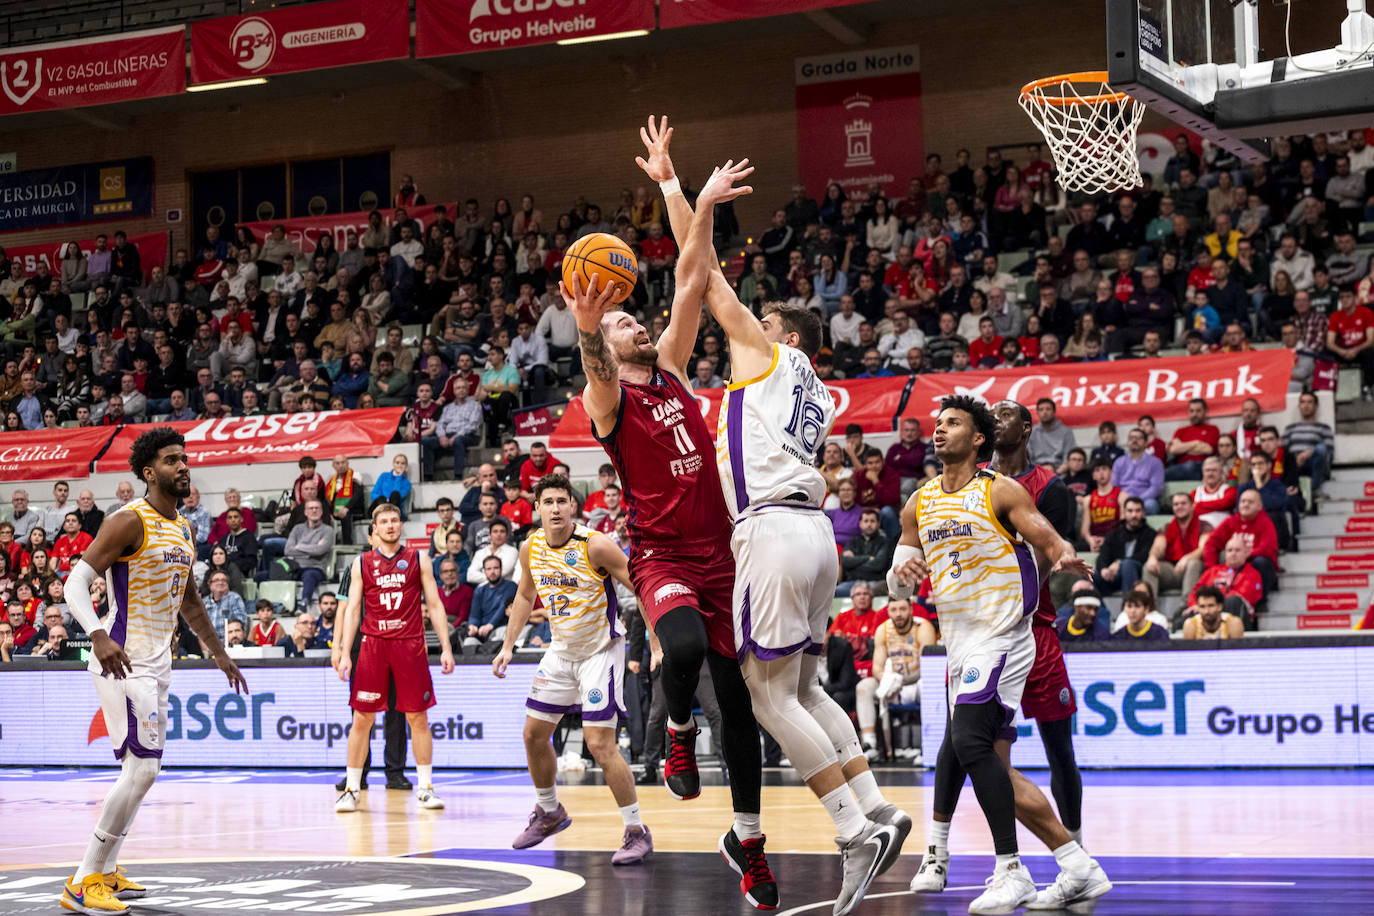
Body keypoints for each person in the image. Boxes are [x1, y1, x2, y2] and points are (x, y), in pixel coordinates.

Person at [558, 117, 769, 908]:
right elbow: (594, 368)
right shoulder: (605, 396)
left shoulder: (675, 370)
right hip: (664, 557)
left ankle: (751, 844)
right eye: (621, 323)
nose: (635, 323)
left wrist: (683, 190)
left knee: (742, 711)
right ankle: (678, 731)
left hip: (725, 555)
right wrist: (587, 328)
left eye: (628, 318)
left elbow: (691, 277)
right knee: (676, 645)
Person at [685, 157, 904, 914]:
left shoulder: (769, 355)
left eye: (763, 320)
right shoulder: (808, 380)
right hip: (814, 534)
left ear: (781, 335)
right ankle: (877, 805)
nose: (749, 323)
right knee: (808, 686)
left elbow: (704, 280)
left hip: (774, 530)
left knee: (768, 696)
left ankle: (853, 832)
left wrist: (690, 198)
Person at [893, 395, 1107, 913]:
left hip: (1006, 635)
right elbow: (899, 566)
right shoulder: (918, 502)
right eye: (937, 423)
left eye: (952, 423)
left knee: (969, 740)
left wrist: (1063, 557)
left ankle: (1010, 870)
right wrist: (900, 575)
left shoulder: (1001, 490)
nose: (938, 430)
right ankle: (1077, 865)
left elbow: (1046, 535)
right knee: (979, 754)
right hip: (960, 640)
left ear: (979, 438)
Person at [60, 428, 246, 914]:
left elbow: (188, 599)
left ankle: (108, 870)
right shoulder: (127, 521)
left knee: (143, 771)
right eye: (172, 460)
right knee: (142, 768)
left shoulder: (182, 528)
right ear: (149, 473)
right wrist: (96, 637)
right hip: (121, 659)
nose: (184, 466)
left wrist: (216, 650)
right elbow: (74, 586)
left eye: (185, 459)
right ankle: (83, 879)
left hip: (157, 663)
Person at [492, 475, 654, 865]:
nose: (555, 509)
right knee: (533, 735)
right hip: (561, 652)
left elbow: (641, 586)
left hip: (601, 652)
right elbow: (525, 595)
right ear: (538, 509)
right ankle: (549, 812)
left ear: (573, 507)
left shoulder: (595, 544)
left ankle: (636, 830)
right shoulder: (530, 547)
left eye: (562, 501)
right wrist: (508, 646)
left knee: (599, 744)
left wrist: (656, 641)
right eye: (548, 502)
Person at [332, 503, 456, 813]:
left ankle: (426, 787)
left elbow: (436, 605)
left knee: (418, 718)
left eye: (394, 520)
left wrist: (446, 647)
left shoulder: (419, 559)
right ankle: (351, 789)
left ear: (401, 525)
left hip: (410, 645)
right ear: (374, 529)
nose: (390, 525)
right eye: (384, 521)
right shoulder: (361, 563)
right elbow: (352, 609)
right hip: (373, 645)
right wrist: (346, 652)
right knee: (362, 719)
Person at [854, 597, 935, 760]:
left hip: (916, 682)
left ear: (911, 609)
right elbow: (877, 666)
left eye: (903, 609)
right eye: (894, 610)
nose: (898, 614)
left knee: (930, 685)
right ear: (888, 611)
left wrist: (901, 681)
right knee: (864, 687)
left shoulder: (923, 627)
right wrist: (885, 678)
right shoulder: (883, 630)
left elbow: (928, 666)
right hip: (891, 684)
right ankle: (870, 745)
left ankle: (929, 746)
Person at [1142, 492, 1206, 599]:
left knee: (1194, 563)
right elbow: (1158, 546)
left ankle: (1186, 607)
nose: (1179, 507)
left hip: (1195, 571)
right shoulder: (1167, 527)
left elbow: (1203, 548)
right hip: (1173, 569)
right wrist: (1152, 557)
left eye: (1183, 503)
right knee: (1149, 567)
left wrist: (1187, 558)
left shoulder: (1204, 525)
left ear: (1192, 506)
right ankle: (1148, 608)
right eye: (1176, 504)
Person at [1093, 497, 1155, 595]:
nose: (1134, 515)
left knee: (1128, 565)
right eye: (1130, 511)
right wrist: (1104, 569)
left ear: (1143, 513)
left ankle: (1128, 606)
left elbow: (1144, 555)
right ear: (1124, 512)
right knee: (1087, 577)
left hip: (1137, 574)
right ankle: (1102, 610)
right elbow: (1102, 556)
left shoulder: (1150, 534)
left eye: (1137, 511)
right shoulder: (1114, 534)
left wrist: (1120, 563)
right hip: (1114, 576)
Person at [1181, 584, 1246, 639]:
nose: (1206, 611)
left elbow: (1238, 652)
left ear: (1220, 606)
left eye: (1211, 606)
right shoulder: (1191, 624)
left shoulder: (1233, 623)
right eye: (1202, 606)